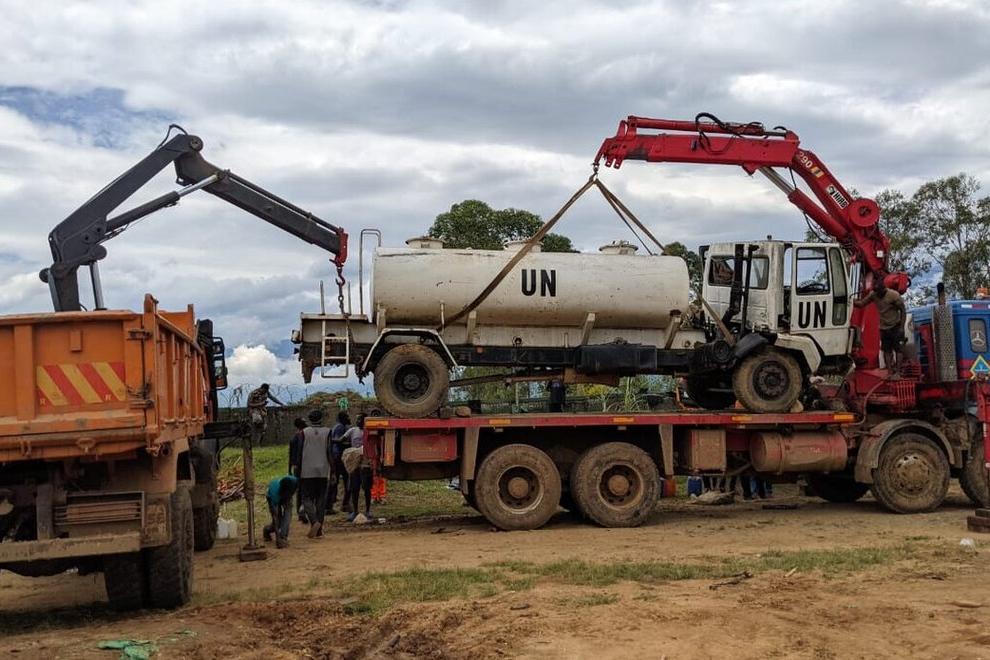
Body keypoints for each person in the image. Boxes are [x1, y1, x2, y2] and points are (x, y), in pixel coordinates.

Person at [855, 280, 907, 377]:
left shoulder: (894, 295)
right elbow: (862, 304)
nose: (877, 294)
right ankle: (890, 372)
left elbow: (903, 311)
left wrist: (902, 327)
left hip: (895, 325)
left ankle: (898, 372)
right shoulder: (873, 294)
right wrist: (851, 301)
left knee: (898, 349)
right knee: (886, 350)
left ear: (883, 290)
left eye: (879, 292)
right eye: (876, 292)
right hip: (884, 327)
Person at [299, 409, 333, 538]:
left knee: (306, 498)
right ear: (321, 419)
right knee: (321, 499)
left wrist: (297, 469)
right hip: (323, 469)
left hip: (306, 469)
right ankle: (319, 530)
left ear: (309, 419)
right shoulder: (328, 431)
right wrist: (333, 470)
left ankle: (314, 522)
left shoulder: (303, 432)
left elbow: (299, 451)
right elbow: (329, 451)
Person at [342, 414, 373, 521]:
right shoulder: (352, 430)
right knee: (354, 488)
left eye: (360, 419)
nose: (357, 421)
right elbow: (342, 439)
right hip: (354, 463)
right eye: (357, 419)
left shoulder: (370, 431)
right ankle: (355, 511)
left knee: (367, 488)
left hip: (366, 463)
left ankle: (368, 510)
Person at [263, 474, 299, 549]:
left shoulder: (294, 481)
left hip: (286, 492)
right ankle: (267, 530)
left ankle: (283, 536)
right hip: (272, 497)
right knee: (278, 521)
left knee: (288, 514)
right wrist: (277, 538)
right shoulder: (274, 494)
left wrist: (281, 538)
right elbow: (275, 517)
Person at [327, 411, 352, 514]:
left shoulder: (338, 427)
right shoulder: (340, 427)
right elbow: (338, 440)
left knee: (335, 481)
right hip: (339, 457)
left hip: (337, 457)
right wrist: (349, 443)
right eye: (347, 417)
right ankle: (344, 505)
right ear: (343, 418)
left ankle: (329, 505)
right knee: (347, 481)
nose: (349, 418)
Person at [288, 417, 308, 523]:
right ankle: (302, 511)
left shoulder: (296, 437)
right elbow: (292, 454)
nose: (306, 423)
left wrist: (290, 468)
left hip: (298, 466)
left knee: (300, 489)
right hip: (302, 466)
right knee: (303, 489)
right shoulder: (301, 437)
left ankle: (301, 510)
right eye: (304, 422)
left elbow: (290, 454)